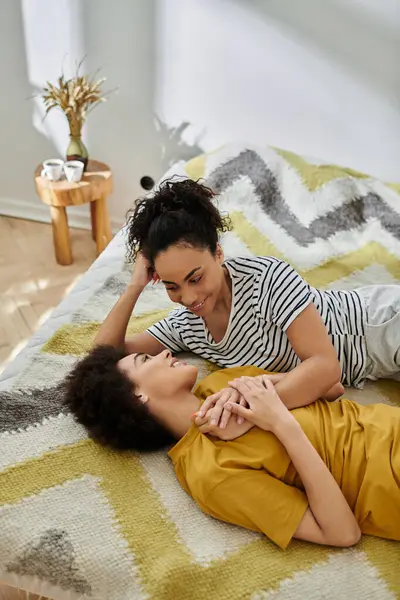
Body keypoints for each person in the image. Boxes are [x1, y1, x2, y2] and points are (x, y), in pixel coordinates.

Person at [97, 178, 400, 413]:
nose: (189, 298)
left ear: (218, 253)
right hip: (376, 366)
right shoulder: (187, 325)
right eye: (171, 286)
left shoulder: (266, 279)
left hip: (378, 324)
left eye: (196, 278)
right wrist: (134, 287)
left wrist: (243, 408)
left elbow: (325, 367)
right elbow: (103, 358)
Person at [65, 344, 400, 550]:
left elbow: (333, 386)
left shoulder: (221, 383)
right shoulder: (211, 474)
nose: (165, 352)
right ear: (138, 396)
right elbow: (342, 532)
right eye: (145, 359)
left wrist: (264, 390)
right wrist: (280, 423)